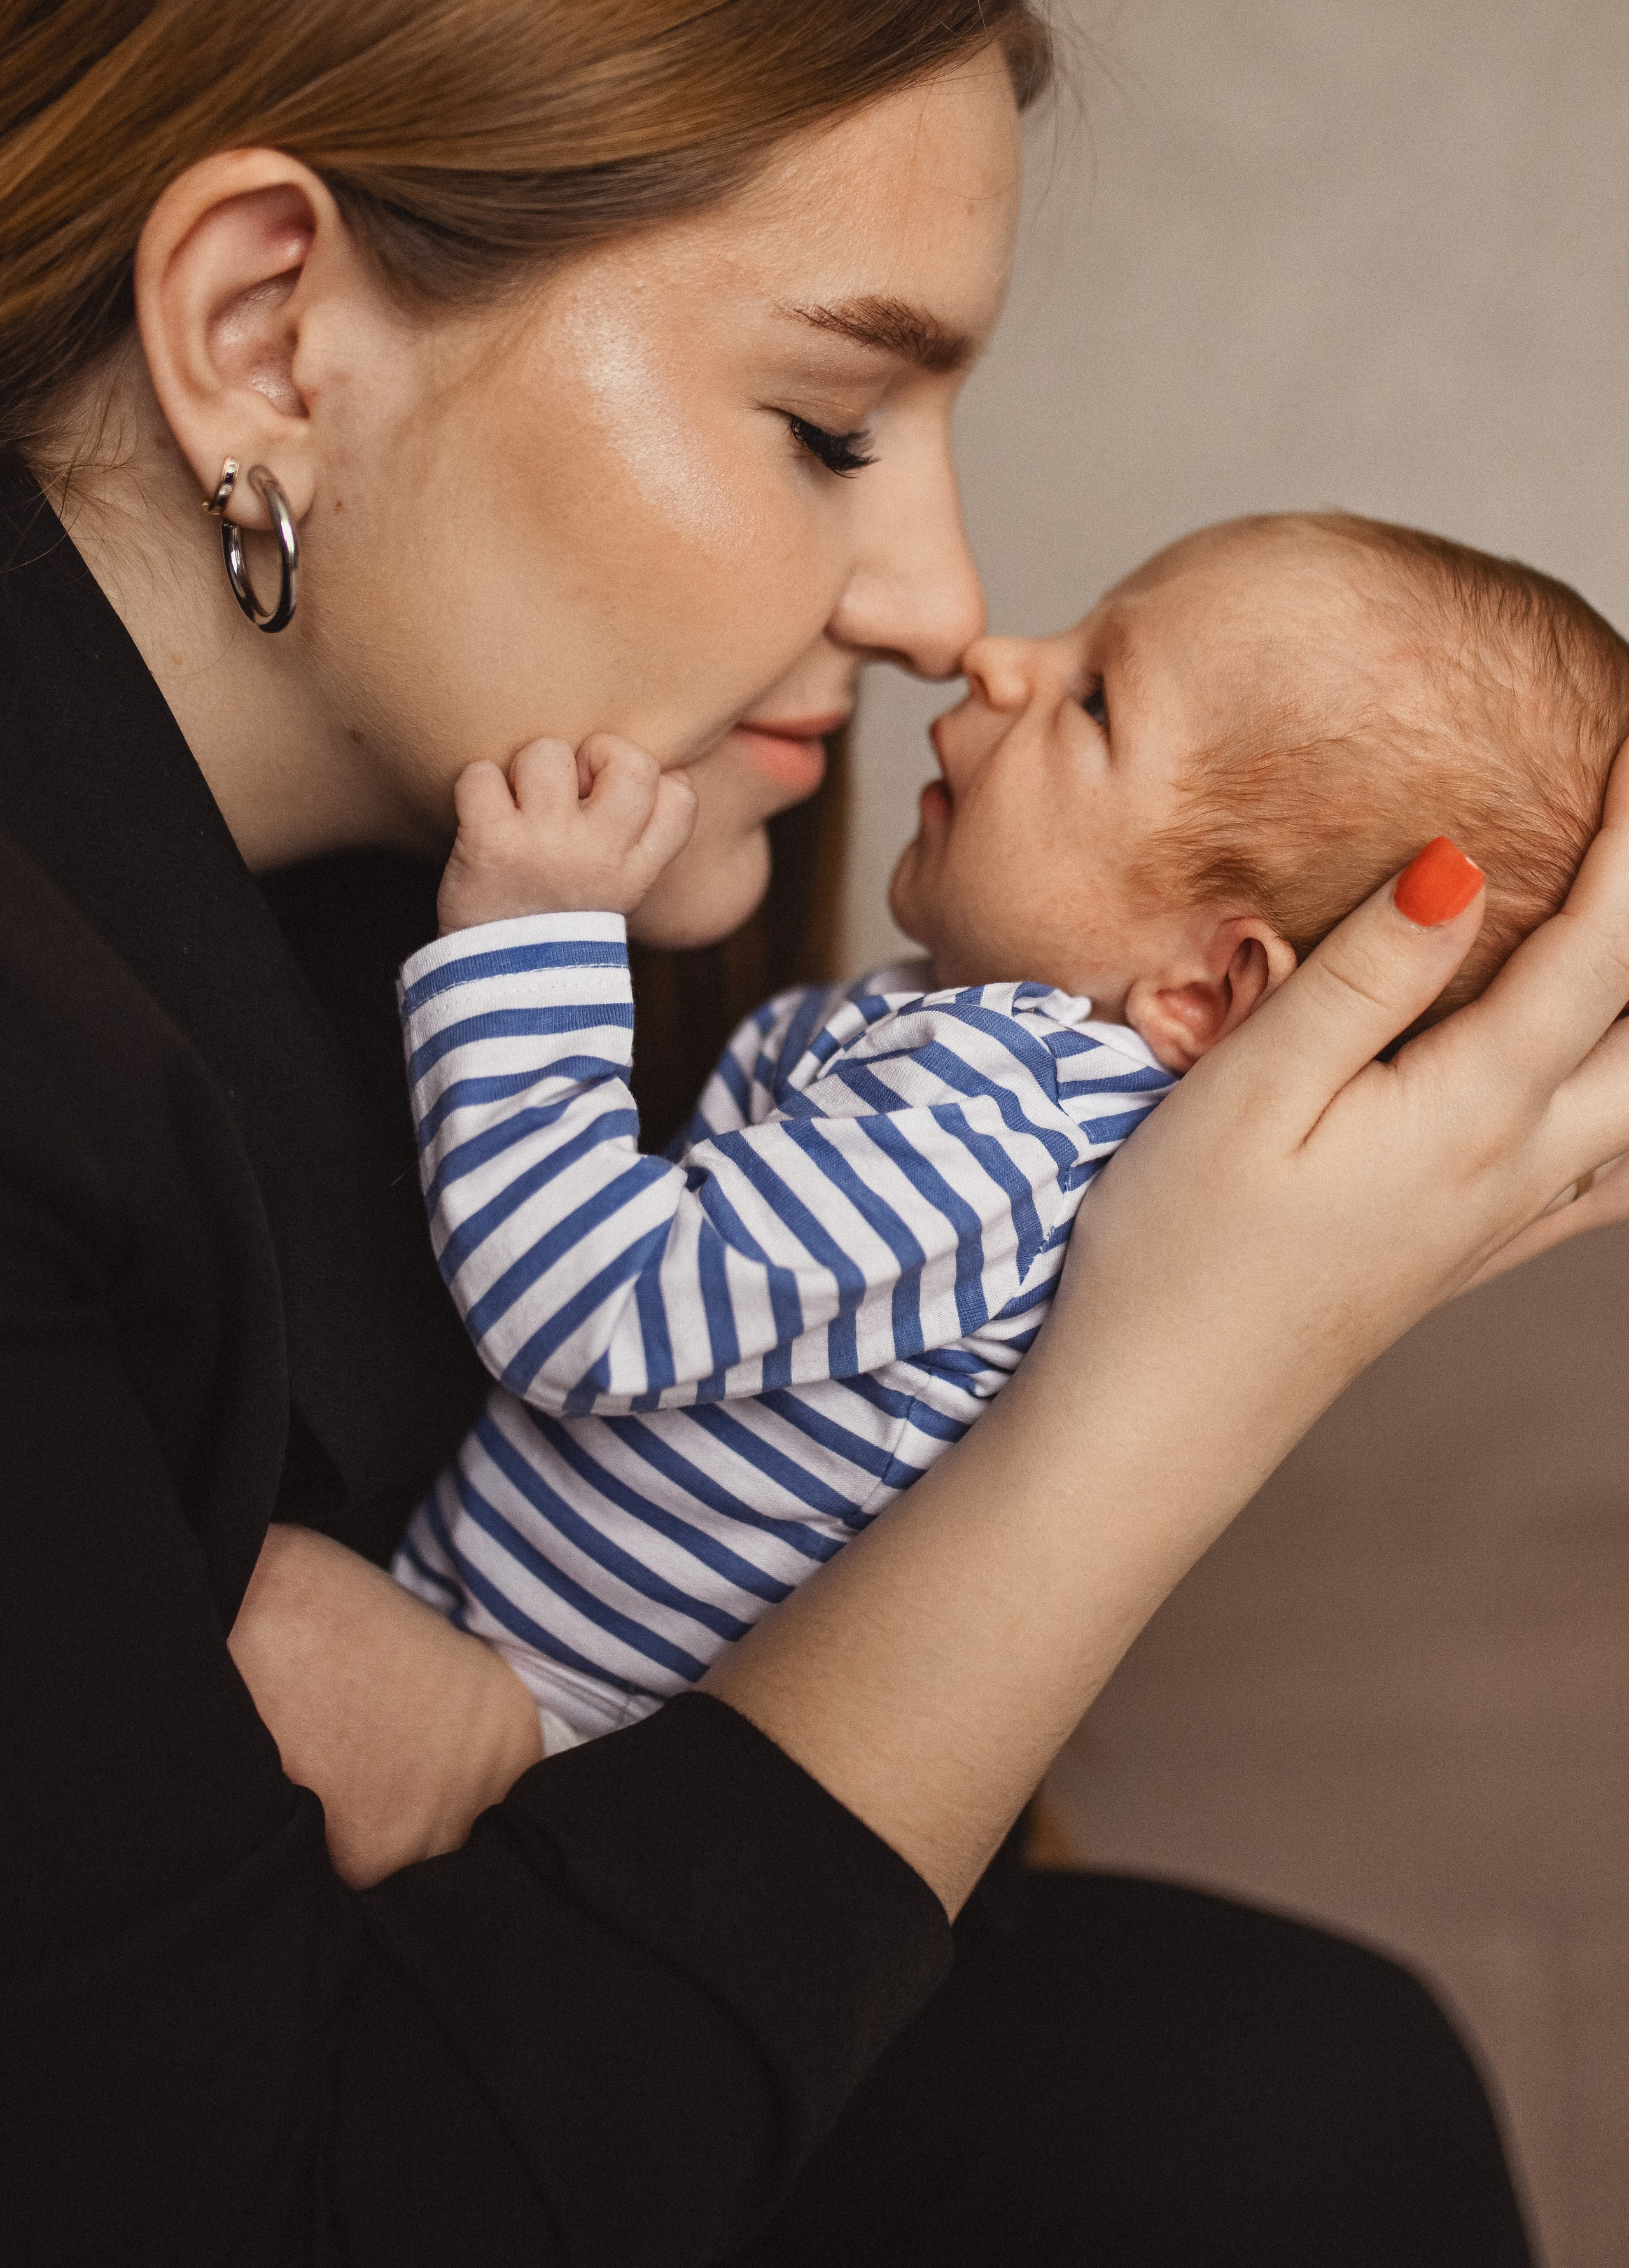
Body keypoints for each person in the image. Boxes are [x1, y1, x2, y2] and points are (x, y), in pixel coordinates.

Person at [5, 0, 1628, 2260]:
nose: (942, 610)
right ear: (264, 332)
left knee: (1301, 2083)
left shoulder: (579, 861)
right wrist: (1166, 1393)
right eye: (828, 422)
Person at [389, 508, 1628, 1753]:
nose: (997, 658)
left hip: (545, 1724)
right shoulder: (998, 1071)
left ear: (1203, 991)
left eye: (1092, 701)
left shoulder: (994, 1129)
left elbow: (585, 1307)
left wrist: (528, 940)